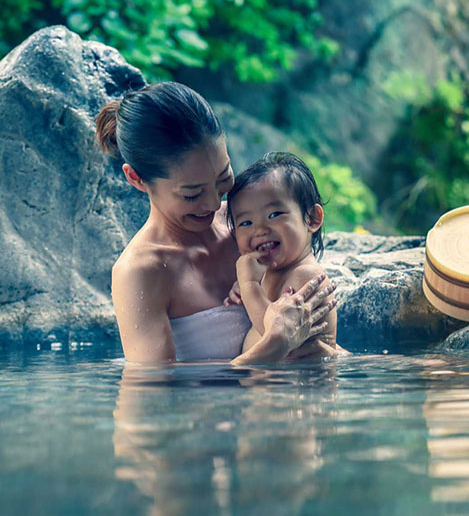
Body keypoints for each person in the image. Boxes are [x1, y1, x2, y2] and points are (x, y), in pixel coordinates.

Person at [95, 81, 337, 363]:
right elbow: (153, 400)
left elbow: (318, 345)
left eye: (223, 177)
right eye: (192, 193)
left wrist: (324, 352)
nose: (213, 204)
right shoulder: (141, 271)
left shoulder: (249, 228)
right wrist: (276, 344)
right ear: (136, 179)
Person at [227, 152, 338, 357]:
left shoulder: (306, 276)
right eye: (246, 223)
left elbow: (278, 334)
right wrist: (249, 286)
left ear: (312, 218)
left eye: (274, 215)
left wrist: (249, 286)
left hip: (298, 386)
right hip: (278, 384)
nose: (259, 229)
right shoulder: (272, 271)